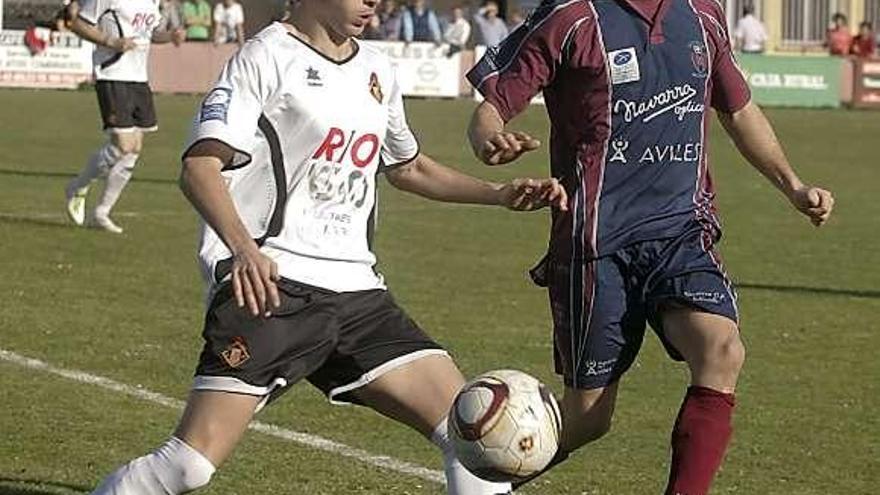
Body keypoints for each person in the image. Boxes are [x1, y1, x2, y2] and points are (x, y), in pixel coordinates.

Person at [86, 0, 567, 493]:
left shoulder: (377, 67)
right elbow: (200, 168)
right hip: (275, 288)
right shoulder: (265, 56)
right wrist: (244, 249)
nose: (373, 2)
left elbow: (408, 167)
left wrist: (498, 195)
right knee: (186, 467)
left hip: (359, 293)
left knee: (474, 439)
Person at [467, 1, 835, 494]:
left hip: (680, 230)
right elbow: (490, 109)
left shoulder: (702, 15)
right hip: (596, 244)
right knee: (589, 421)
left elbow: (738, 108)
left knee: (721, 351)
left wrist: (793, 185)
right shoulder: (572, 16)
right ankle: (480, 481)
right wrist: (491, 138)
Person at [64, 0, 185, 233]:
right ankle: (77, 186)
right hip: (112, 74)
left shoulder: (152, 2)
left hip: (139, 79)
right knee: (123, 145)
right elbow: (77, 24)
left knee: (134, 149)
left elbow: (149, 35)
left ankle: (102, 212)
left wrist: (170, 36)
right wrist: (112, 42)